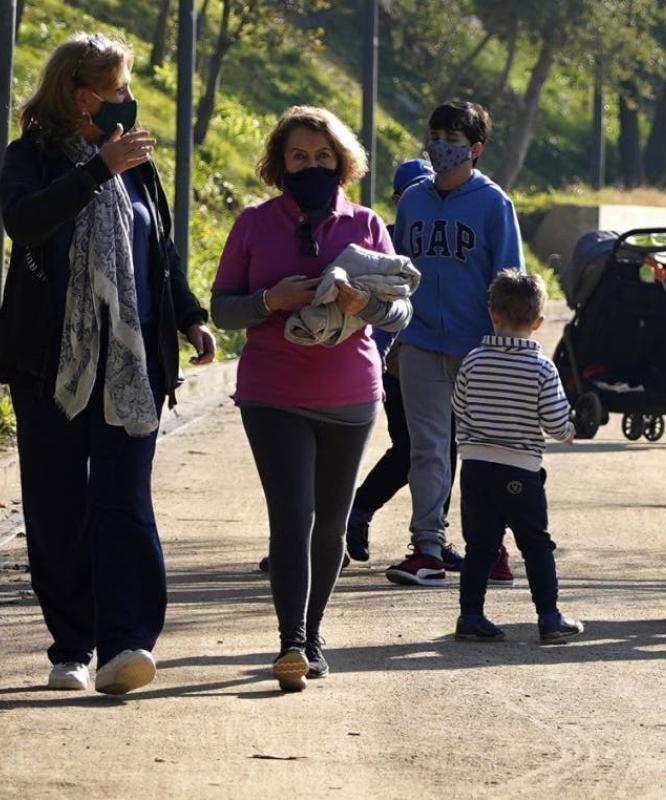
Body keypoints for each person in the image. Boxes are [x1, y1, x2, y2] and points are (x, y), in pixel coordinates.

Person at [0, 33, 216, 695]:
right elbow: (26, 222)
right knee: (58, 507)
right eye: (118, 88)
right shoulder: (30, 158)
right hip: (49, 364)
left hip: (131, 363)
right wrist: (98, 170)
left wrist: (189, 315)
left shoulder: (138, 165)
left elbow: (159, 252)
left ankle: (128, 644)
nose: (129, 99)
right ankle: (72, 647)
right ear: (83, 95)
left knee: (124, 502)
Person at [210, 106, 412, 692]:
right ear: (280, 163)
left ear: (342, 163)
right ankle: (291, 642)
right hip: (272, 394)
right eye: (299, 157)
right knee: (292, 518)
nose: (311, 166)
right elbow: (222, 308)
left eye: (323, 156)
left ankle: (314, 636)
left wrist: (365, 306)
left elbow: (400, 310)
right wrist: (269, 301)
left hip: (350, 395)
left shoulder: (366, 225)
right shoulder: (254, 223)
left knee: (331, 523)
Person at [385, 100, 525, 589]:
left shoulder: (494, 204)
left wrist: (506, 346)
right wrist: (392, 339)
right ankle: (427, 548)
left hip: (478, 348)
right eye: (436, 138)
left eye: (453, 140)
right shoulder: (413, 201)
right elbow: (397, 275)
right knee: (427, 448)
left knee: (484, 451)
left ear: (476, 149)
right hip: (420, 342)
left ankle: (492, 548)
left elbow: (510, 280)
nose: (441, 147)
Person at [452, 270, 584, 644]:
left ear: (492, 314)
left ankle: (471, 616)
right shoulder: (541, 368)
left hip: (476, 467)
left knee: (480, 546)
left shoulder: (473, 360)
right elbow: (554, 419)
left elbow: (458, 405)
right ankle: (549, 617)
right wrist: (567, 431)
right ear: (538, 321)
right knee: (536, 544)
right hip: (520, 470)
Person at [343, 159, 464, 566]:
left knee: (441, 446)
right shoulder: (387, 241)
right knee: (414, 447)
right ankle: (354, 514)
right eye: (411, 193)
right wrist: (382, 356)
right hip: (395, 360)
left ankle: (430, 533)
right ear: (398, 199)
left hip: (441, 354)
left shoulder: (447, 235)